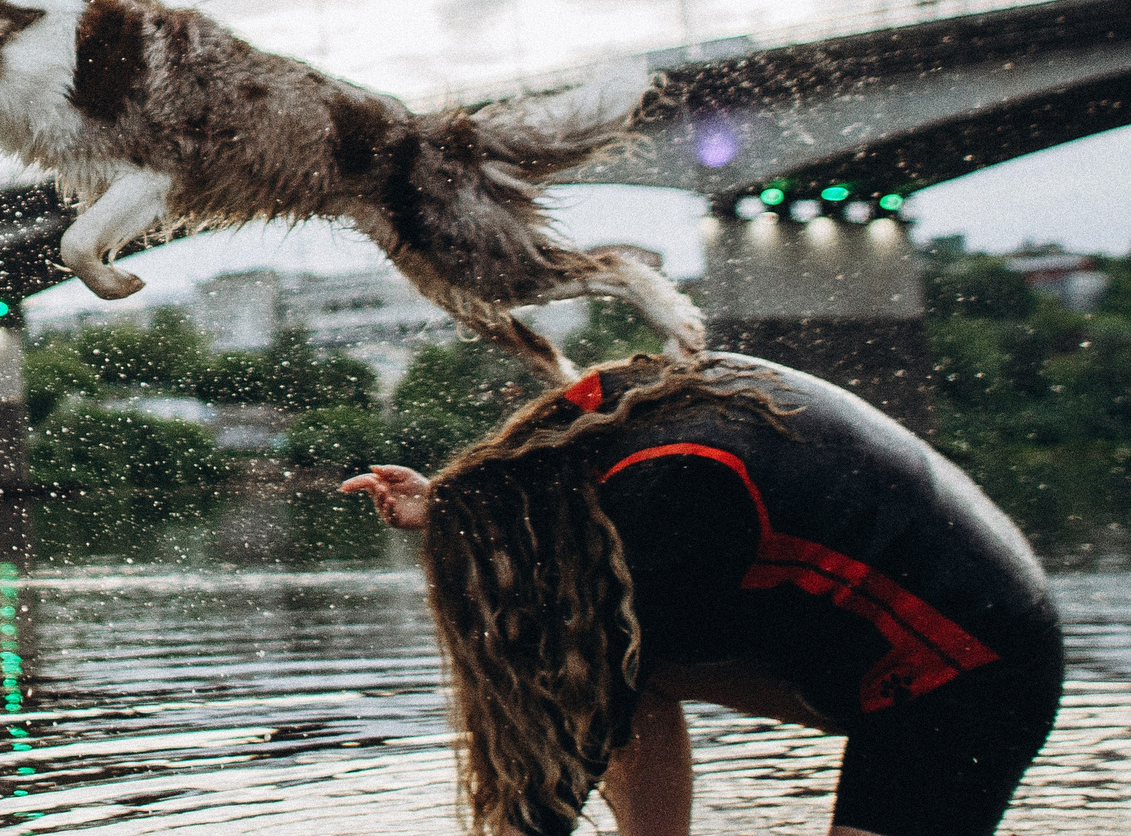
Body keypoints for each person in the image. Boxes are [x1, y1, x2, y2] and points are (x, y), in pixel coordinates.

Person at [342, 353, 1061, 836]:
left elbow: (581, 723)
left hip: (972, 675)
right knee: (638, 670)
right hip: (903, 631)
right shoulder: (599, 422)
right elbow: (520, 485)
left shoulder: (673, 494)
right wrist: (450, 504)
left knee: (611, 670)